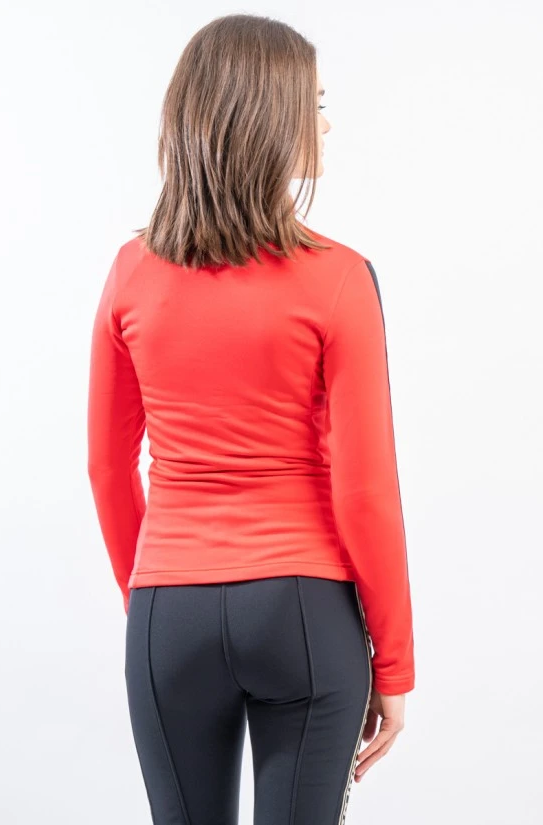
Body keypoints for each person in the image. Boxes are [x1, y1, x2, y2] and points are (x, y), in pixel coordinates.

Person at [87, 12, 415, 825]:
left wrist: (155, 599)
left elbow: (107, 465)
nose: (326, 124)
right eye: (316, 104)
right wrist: (395, 666)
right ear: (270, 117)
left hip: (169, 609)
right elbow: (366, 491)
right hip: (302, 610)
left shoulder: (130, 272)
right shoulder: (340, 278)